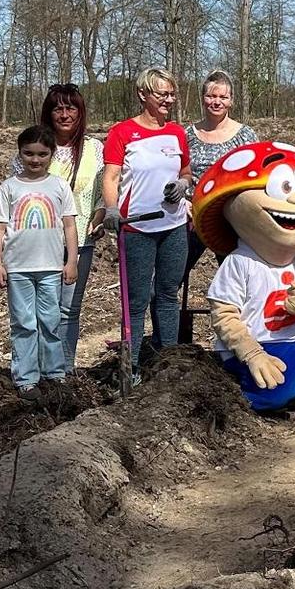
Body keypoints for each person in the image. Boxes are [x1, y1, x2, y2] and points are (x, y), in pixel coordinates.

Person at [99, 68, 192, 381]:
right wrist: (111, 209)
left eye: (170, 93)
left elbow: (186, 171)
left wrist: (182, 184)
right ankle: (132, 367)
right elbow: (111, 176)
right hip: (137, 227)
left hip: (173, 225)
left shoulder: (177, 133)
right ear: (143, 95)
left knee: (167, 295)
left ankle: (169, 364)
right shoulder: (122, 132)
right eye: (161, 94)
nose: (168, 99)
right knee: (136, 301)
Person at [0, 125, 80, 392]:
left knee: (50, 321)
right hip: (18, 269)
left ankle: (54, 373)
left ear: (52, 155)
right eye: (28, 154)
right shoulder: (9, 187)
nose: (35, 160)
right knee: (24, 323)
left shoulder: (59, 186)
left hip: (51, 268)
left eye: (42, 154)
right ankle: (26, 378)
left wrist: (71, 260)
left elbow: (70, 226)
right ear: (19, 154)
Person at [20, 84, 104, 374]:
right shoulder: (38, 149)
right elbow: (18, 192)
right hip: (40, 243)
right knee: (39, 309)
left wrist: (101, 213)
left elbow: (103, 189)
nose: (65, 114)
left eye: (71, 108)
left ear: (80, 113)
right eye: (59, 108)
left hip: (80, 241)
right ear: (49, 112)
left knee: (68, 310)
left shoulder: (94, 149)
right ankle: (36, 368)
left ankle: (63, 371)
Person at [178, 70, 259, 344]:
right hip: (192, 216)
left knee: (239, 280)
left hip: (231, 219)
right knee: (172, 276)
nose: (216, 101)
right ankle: (169, 340)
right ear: (203, 97)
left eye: (222, 97)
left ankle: (242, 338)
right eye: (211, 95)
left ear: (231, 101)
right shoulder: (186, 134)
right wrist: (183, 202)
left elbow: (257, 176)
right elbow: (176, 173)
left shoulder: (245, 135)